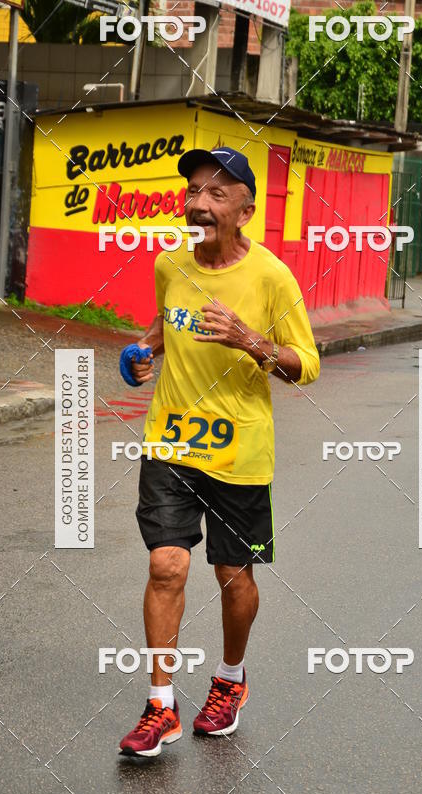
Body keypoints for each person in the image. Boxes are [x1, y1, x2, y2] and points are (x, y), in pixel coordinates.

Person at [118, 146, 320, 757]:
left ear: (245, 210)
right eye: (194, 191)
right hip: (171, 443)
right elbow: (166, 320)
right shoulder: (169, 264)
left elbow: (305, 366)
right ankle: (160, 705)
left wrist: (249, 339)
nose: (198, 203)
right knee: (166, 566)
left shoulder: (271, 277)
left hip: (240, 454)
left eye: (216, 193)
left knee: (234, 578)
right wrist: (142, 348)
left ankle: (230, 681)